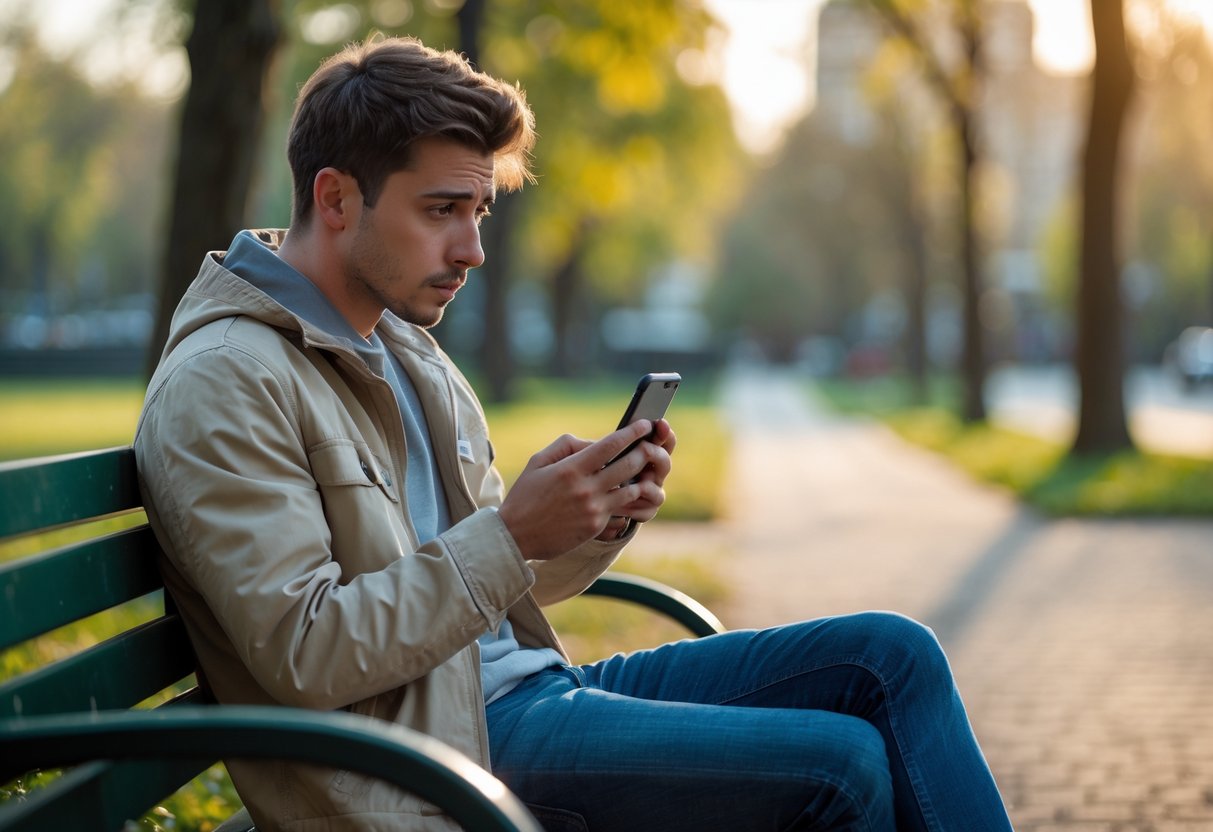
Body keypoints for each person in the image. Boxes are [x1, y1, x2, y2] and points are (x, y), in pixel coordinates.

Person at [134, 35, 1013, 832]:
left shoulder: (401, 347)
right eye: (442, 210)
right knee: (840, 765)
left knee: (891, 656)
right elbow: (307, 651)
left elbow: (477, 588)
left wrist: (590, 515)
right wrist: (510, 533)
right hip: (433, 760)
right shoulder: (227, 378)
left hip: (522, 693)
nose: (472, 249)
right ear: (334, 198)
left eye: (479, 213)